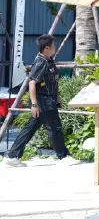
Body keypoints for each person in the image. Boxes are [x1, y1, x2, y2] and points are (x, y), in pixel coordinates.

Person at [4, 36, 76, 167]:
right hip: (43, 102)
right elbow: (32, 83)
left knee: (29, 129)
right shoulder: (40, 62)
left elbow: (51, 82)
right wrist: (34, 104)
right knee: (55, 128)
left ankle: (12, 156)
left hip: (50, 100)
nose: (55, 48)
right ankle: (63, 156)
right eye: (53, 46)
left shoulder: (49, 60)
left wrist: (57, 97)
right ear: (47, 48)